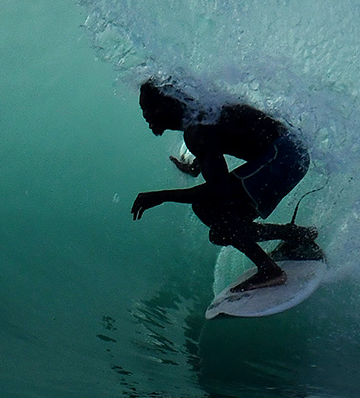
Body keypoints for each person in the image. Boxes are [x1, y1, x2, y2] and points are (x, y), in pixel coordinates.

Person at [130, 79, 318, 291]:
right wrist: (193, 168)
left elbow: (219, 189)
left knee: (213, 215)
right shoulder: (201, 114)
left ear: (168, 104)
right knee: (220, 227)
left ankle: (270, 270)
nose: (145, 115)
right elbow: (219, 143)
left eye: (149, 108)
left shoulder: (197, 130)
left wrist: (162, 196)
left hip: (284, 156)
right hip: (289, 152)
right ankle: (297, 236)